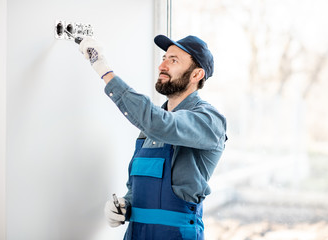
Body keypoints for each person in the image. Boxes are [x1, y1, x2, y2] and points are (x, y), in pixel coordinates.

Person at [79, 34, 228, 240]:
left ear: (196, 75)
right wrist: (125, 206)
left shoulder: (209, 120)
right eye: (164, 58)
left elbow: (162, 125)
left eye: (173, 60)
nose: (162, 66)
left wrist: (104, 70)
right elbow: (137, 186)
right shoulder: (149, 128)